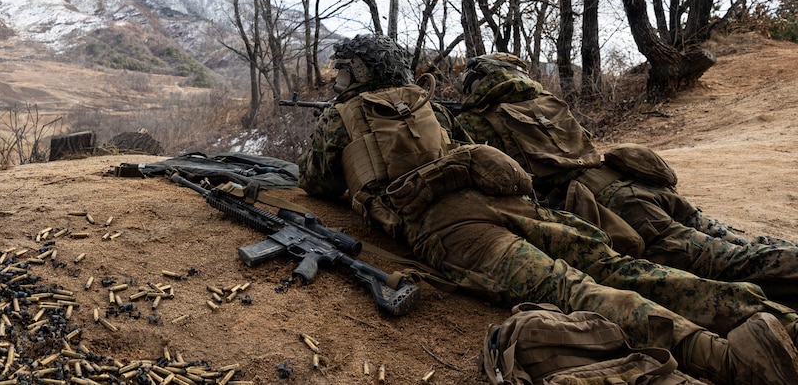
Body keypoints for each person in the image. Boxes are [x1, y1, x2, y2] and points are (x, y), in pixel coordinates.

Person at [298, 33, 798, 385]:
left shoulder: (341, 116)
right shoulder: (427, 106)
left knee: (575, 290)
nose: (335, 77)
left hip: (457, 231)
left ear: (358, 71)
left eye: (340, 68)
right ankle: (767, 315)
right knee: (618, 267)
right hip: (513, 203)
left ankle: (727, 361)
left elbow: (316, 180)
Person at [455, 52, 798, 306]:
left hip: (616, 207)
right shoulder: (548, 102)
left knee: (728, 262)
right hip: (639, 185)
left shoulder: (475, 121)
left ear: (475, 84)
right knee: (733, 243)